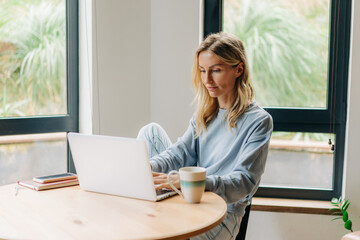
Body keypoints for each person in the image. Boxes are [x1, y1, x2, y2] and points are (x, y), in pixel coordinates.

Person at [137, 32, 273, 240]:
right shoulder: (206, 113)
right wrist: (143, 169)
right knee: (150, 132)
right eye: (202, 71)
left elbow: (244, 181)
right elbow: (179, 153)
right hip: (189, 200)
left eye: (216, 71)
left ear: (239, 69)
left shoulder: (259, 121)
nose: (207, 79)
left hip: (222, 215)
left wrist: (191, 182)